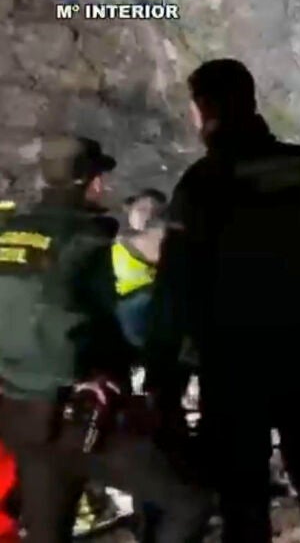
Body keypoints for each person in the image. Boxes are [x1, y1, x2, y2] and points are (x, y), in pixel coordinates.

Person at [145, 59, 300, 543]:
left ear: (206, 109)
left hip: (234, 358)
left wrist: (162, 374)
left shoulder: (202, 183)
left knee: (242, 486)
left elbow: (176, 285)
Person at [0, 136, 209, 543]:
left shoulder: (9, 234)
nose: (105, 188)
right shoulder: (86, 240)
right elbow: (106, 327)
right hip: (77, 417)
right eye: (101, 179)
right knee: (190, 503)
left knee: (46, 534)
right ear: (90, 182)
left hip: (15, 415)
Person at [113, 190, 167, 349]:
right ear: (130, 211)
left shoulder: (157, 239)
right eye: (142, 209)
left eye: (155, 211)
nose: (148, 215)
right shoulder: (117, 240)